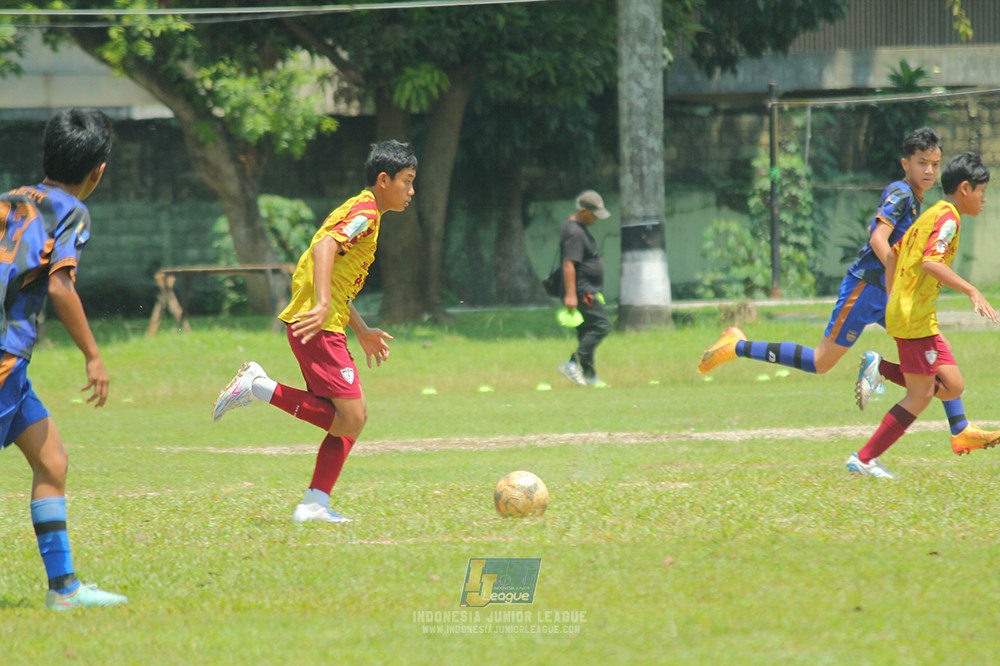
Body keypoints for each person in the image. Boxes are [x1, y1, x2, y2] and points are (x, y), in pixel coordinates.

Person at [698, 127, 1000, 455]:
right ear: (905, 164)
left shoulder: (923, 204)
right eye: (921, 163)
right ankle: (738, 345)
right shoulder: (900, 193)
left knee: (938, 353)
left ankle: (960, 429)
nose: (928, 170)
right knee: (821, 361)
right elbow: (877, 239)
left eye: (934, 164)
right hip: (867, 289)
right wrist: (897, 282)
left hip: (891, 292)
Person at [212, 140, 416, 523]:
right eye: (406, 181)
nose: (411, 191)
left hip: (325, 323)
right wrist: (322, 305)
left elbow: (337, 277)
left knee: (349, 418)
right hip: (317, 324)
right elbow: (324, 247)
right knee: (351, 419)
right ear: (384, 179)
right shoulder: (366, 214)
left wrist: (362, 329)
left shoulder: (364, 210)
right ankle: (259, 386)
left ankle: (314, 504)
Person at [0, 109, 128, 609]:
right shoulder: (71, 210)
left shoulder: (12, 199)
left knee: (52, 459)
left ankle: (65, 589)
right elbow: (60, 285)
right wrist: (94, 357)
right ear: (97, 171)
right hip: (5, 361)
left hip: (14, 369)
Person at [846, 152, 995, 477]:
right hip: (914, 318)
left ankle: (880, 367)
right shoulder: (949, 219)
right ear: (966, 188)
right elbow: (931, 262)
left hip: (913, 314)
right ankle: (865, 458)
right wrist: (972, 289)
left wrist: (893, 297)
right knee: (920, 395)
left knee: (952, 386)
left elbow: (894, 256)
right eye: (983, 193)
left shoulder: (932, 214)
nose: (984, 201)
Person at [556, 190, 613, 388]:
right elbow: (568, 264)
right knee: (602, 325)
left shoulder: (579, 229)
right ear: (583, 210)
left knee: (586, 331)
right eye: (594, 214)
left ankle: (589, 375)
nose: (596, 219)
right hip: (582, 291)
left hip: (585, 290)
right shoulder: (573, 232)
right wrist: (571, 295)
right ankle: (573, 362)